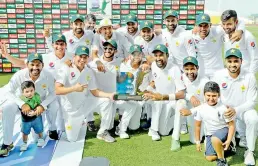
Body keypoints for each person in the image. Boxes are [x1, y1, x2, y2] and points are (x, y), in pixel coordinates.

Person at [0, 53, 59, 156]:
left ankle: (52, 128)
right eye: (32, 64)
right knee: (8, 107)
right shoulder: (19, 75)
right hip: (22, 105)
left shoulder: (48, 75)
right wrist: (22, 104)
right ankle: (7, 143)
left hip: (39, 106)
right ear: (27, 65)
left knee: (54, 105)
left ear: (42, 65)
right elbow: (8, 91)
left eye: (38, 64)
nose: (35, 67)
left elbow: (53, 93)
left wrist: (42, 105)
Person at [55, 46, 116, 142]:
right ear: (74, 57)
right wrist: (74, 88)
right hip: (71, 111)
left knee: (106, 101)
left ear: (88, 58)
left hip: (84, 105)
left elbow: (95, 92)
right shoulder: (66, 68)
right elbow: (57, 90)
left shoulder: (88, 71)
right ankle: (78, 123)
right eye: (80, 56)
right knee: (72, 139)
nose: (82, 60)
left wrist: (109, 95)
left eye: (85, 57)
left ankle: (102, 132)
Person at [212, 48, 258, 165]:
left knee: (253, 117)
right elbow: (214, 97)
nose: (233, 64)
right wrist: (223, 109)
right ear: (225, 62)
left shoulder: (249, 77)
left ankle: (250, 152)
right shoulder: (218, 75)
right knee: (217, 148)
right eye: (230, 61)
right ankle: (235, 138)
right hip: (225, 112)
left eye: (236, 61)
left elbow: (252, 101)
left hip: (242, 111)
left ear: (241, 61)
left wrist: (236, 110)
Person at [89, 40, 138, 139]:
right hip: (100, 99)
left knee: (133, 104)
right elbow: (81, 66)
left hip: (115, 97)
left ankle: (121, 129)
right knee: (108, 121)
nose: (107, 50)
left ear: (115, 51)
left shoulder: (120, 62)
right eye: (105, 48)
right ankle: (102, 130)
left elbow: (134, 61)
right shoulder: (94, 64)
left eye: (110, 49)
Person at [142, 44, 186, 149]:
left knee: (164, 132)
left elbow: (182, 93)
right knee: (151, 100)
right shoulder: (153, 65)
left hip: (171, 100)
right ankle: (153, 129)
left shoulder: (174, 69)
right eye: (156, 55)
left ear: (167, 55)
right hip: (159, 99)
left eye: (161, 55)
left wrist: (163, 97)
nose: (158, 58)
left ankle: (181, 122)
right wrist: (147, 90)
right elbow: (155, 81)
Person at [183, 81, 235, 166]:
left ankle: (222, 161)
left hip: (224, 130)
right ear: (204, 95)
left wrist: (229, 140)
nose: (211, 98)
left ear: (219, 95)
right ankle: (228, 149)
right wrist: (198, 142)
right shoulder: (201, 108)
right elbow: (197, 126)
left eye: (214, 96)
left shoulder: (223, 108)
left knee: (215, 138)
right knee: (209, 158)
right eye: (208, 95)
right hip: (210, 135)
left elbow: (231, 125)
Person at [192, 13, 244, 78]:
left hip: (217, 71)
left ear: (210, 25)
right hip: (201, 72)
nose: (203, 29)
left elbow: (240, 21)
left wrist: (240, 31)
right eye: (200, 25)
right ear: (196, 26)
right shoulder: (191, 35)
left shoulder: (217, 31)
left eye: (206, 25)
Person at [179, 56, 209, 143]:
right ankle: (183, 125)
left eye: (192, 69)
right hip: (189, 108)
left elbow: (208, 103)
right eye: (186, 69)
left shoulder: (204, 81)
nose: (189, 72)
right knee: (194, 140)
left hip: (202, 110)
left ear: (197, 68)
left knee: (202, 137)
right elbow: (179, 93)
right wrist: (190, 96)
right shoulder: (182, 78)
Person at [19, 81, 45, 151]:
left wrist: (35, 111)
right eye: (27, 92)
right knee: (25, 132)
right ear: (23, 92)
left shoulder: (36, 96)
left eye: (31, 90)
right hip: (26, 120)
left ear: (34, 90)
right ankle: (24, 143)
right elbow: (21, 108)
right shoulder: (21, 99)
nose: (30, 93)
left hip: (36, 117)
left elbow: (39, 104)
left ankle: (41, 138)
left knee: (39, 129)